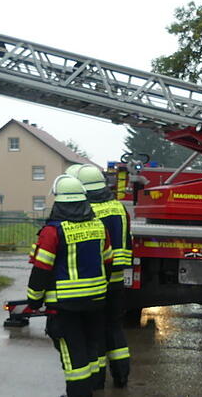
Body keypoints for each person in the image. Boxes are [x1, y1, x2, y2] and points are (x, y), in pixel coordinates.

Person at [27, 175, 111, 397]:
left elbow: (41, 270)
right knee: (91, 348)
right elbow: (108, 262)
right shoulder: (99, 226)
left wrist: (34, 300)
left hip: (64, 307)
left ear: (58, 202)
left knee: (73, 356)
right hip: (96, 301)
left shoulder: (52, 232)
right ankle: (92, 390)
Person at [74, 164, 131, 389]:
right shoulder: (119, 208)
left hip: (97, 280)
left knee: (95, 330)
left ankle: (97, 381)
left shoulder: (86, 210)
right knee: (115, 327)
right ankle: (121, 375)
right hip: (118, 279)